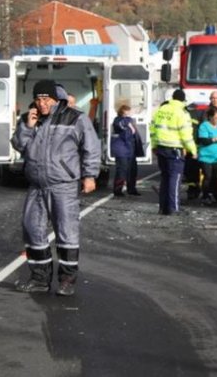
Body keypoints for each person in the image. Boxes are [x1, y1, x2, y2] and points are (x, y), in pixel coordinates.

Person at [11, 80, 100, 297]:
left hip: (63, 185)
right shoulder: (29, 119)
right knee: (32, 231)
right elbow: (18, 145)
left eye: (46, 99)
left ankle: (67, 280)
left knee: (66, 232)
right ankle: (40, 279)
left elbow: (91, 146)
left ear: (55, 99)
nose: (42, 104)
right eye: (38, 99)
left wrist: (90, 175)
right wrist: (27, 128)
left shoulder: (75, 118)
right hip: (36, 186)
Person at [150, 89, 197, 215]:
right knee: (174, 179)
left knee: (165, 178)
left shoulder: (161, 110)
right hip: (175, 149)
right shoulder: (182, 113)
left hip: (161, 148)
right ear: (183, 100)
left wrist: (154, 145)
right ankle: (173, 208)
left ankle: (163, 208)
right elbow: (186, 134)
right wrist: (193, 150)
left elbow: (153, 129)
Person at [111, 104, 143, 197]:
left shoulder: (130, 121)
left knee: (132, 171)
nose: (130, 113)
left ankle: (131, 189)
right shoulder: (118, 120)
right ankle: (118, 190)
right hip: (122, 150)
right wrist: (128, 121)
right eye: (128, 111)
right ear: (123, 112)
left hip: (130, 150)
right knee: (122, 171)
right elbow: (120, 125)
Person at [196, 106, 217, 205]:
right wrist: (214, 139)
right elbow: (203, 140)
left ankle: (215, 194)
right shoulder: (204, 126)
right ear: (210, 117)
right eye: (216, 118)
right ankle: (205, 196)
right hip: (206, 156)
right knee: (208, 176)